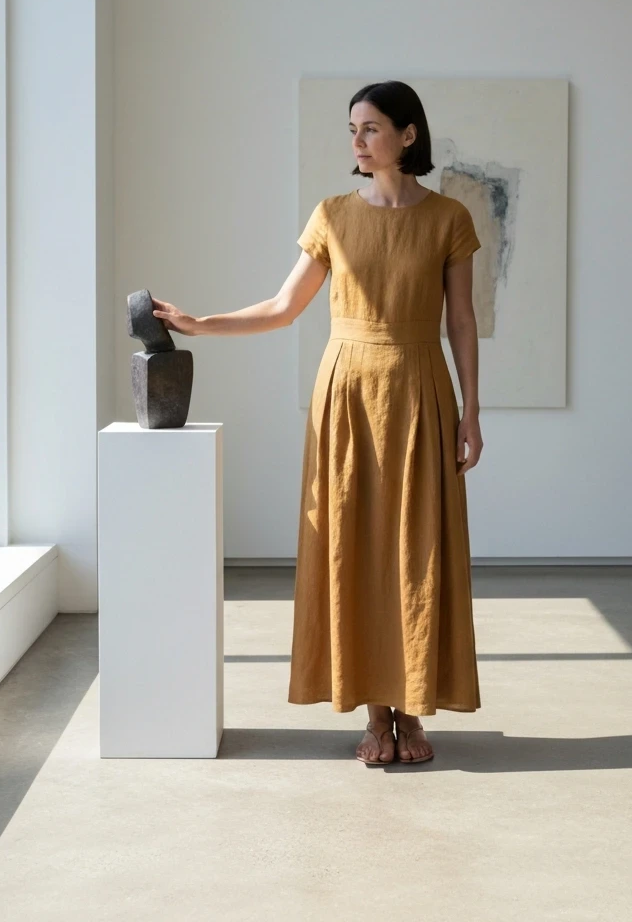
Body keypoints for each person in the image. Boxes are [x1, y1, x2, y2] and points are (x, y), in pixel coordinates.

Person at [152, 80, 483, 766]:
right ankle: (373, 715)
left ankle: (413, 712)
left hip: (422, 390)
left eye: (369, 129)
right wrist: (201, 324)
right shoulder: (333, 215)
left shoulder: (450, 217)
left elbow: (460, 322)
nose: (356, 142)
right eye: (352, 130)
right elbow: (282, 306)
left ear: (408, 135)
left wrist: (472, 409)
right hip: (349, 396)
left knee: (417, 547)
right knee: (356, 546)